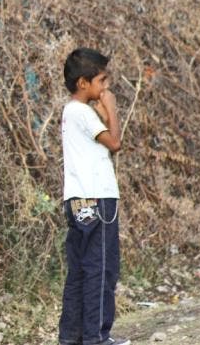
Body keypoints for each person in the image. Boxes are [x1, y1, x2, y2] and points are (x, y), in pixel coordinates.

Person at [58, 48, 130, 345]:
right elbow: (115, 142)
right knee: (101, 269)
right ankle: (97, 338)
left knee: (81, 270)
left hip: (78, 200)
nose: (105, 88)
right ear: (83, 83)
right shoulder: (81, 112)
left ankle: (72, 338)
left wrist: (100, 110)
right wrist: (111, 108)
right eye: (102, 81)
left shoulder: (72, 112)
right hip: (98, 200)